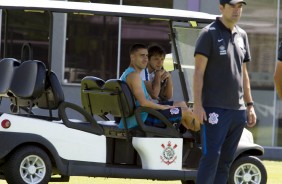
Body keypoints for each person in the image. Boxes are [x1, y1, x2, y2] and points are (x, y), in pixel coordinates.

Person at [193, 0, 257, 183]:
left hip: (237, 111)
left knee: (227, 161)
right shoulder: (208, 34)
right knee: (211, 157)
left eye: (240, 6)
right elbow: (198, 72)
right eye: (232, 6)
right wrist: (197, 105)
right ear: (221, 7)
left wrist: (250, 104)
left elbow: (244, 74)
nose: (237, 10)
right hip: (214, 108)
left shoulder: (242, 35)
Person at [118, 43, 199, 131]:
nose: (145, 59)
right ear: (132, 57)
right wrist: (162, 107)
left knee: (183, 106)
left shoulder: (131, 73)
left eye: (146, 56)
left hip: (141, 114)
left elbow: (168, 96)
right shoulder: (134, 75)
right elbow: (144, 102)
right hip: (142, 117)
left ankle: (189, 136)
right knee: (187, 113)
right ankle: (205, 139)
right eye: (142, 56)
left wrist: (169, 77)